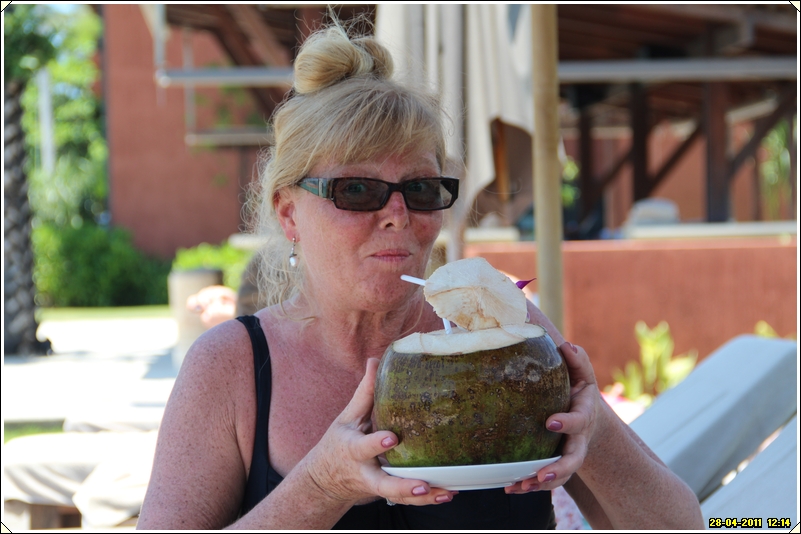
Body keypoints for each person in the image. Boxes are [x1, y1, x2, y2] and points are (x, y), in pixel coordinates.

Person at [137, 21, 704, 530]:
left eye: (422, 188)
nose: (398, 215)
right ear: (289, 213)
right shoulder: (231, 368)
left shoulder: (499, 331)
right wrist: (321, 488)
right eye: (356, 189)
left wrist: (593, 433)